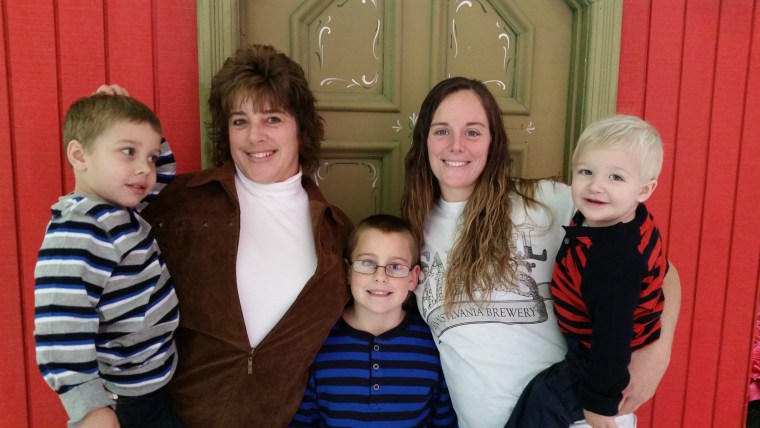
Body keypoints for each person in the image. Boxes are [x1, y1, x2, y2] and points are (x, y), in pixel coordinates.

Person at [400, 77, 680, 428]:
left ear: (493, 142)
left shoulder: (548, 202)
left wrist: (658, 352)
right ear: (424, 139)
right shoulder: (412, 235)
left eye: (473, 132)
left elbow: (660, 272)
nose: (456, 145)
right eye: (441, 131)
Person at [137, 44, 353, 427]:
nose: (255, 136)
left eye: (272, 119)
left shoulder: (336, 230)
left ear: (300, 127)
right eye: (240, 121)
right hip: (174, 415)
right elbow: (99, 260)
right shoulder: (181, 203)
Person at [505, 115, 668, 428]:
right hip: (597, 340)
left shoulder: (614, 259)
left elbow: (613, 336)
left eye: (616, 178)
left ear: (644, 190)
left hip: (597, 357)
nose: (596, 186)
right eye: (586, 172)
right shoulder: (615, 220)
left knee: (542, 402)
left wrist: (600, 404)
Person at [33, 93, 180, 428]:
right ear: (79, 154)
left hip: (153, 382)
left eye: (152, 156)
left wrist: (135, 123)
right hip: (123, 400)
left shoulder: (118, 209)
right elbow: (60, 327)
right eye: (128, 151)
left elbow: (166, 178)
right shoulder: (80, 231)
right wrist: (89, 407)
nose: (145, 167)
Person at [290, 214, 458, 427]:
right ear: (348, 271)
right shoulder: (320, 340)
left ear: (413, 278)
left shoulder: (432, 344)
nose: (381, 277)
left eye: (395, 266)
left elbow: (444, 422)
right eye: (367, 263)